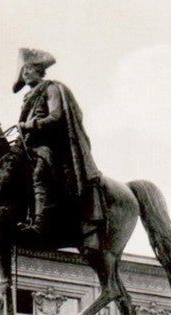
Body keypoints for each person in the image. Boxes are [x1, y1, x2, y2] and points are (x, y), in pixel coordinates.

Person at [12, 48, 104, 245]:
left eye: (28, 68)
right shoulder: (29, 96)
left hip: (50, 147)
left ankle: (40, 226)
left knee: (39, 172)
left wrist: (30, 125)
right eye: (23, 70)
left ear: (39, 70)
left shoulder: (51, 89)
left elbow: (56, 117)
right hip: (29, 146)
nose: (25, 73)